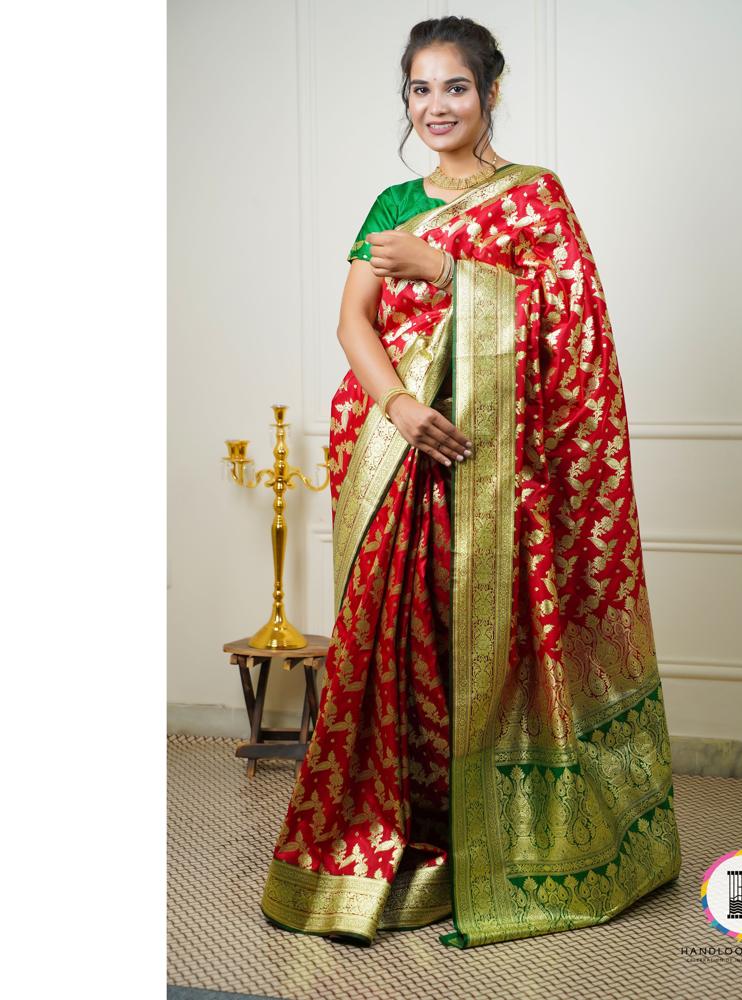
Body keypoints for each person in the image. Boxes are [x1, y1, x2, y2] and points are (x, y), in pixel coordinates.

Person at [259, 15, 682, 949]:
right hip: (400, 455)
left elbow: (571, 325)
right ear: (405, 100)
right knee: (393, 644)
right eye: (419, 89)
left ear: (491, 91)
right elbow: (353, 325)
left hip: (501, 466)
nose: (437, 106)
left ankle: (493, 842)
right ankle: (397, 838)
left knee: (480, 641)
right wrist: (401, 411)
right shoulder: (389, 203)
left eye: (455, 87)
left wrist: (451, 268)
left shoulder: (535, 199)